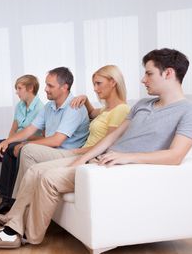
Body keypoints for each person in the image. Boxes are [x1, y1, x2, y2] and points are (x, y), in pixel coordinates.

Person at [0, 48, 192, 249]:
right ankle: (13, 227)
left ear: (168, 73)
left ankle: (26, 236)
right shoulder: (143, 105)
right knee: (36, 170)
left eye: (148, 73)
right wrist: (80, 159)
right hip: (101, 158)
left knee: (48, 178)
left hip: (118, 166)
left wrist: (127, 158)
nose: (143, 79)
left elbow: (175, 155)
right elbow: (111, 137)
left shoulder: (191, 110)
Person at [9, 65, 130, 201]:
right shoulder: (106, 109)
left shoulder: (121, 110)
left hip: (84, 154)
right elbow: (91, 113)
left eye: (98, 83)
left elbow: (108, 145)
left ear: (113, 82)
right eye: (94, 84)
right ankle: (20, 202)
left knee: (27, 150)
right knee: (21, 150)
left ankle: (20, 202)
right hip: (80, 152)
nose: (95, 88)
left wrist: (79, 152)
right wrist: (85, 99)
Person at [0, 67, 89, 216]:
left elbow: (57, 140)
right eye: (46, 85)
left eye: (50, 86)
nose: (45, 89)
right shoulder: (49, 107)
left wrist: (26, 144)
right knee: (11, 148)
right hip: (52, 150)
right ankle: (8, 201)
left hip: (65, 153)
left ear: (64, 87)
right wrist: (8, 140)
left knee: (25, 150)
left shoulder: (74, 107)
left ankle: (22, 209)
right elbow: (29, 129)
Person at [0, 75, 44, 202]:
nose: (16, 92)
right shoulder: (20, 106)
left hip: (26, 144)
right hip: (14, 141)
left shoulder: (41, 108)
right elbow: (14, 128)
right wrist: (8, 141)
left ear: (30, 88)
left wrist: (17, 141)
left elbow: (42, 136)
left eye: (19, 88)